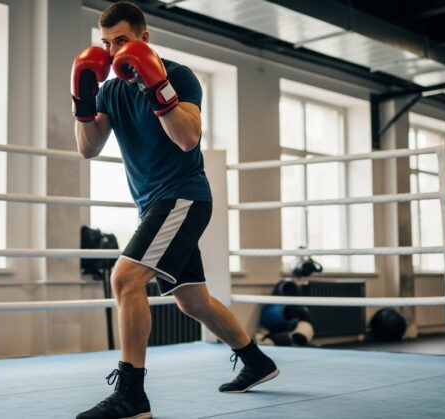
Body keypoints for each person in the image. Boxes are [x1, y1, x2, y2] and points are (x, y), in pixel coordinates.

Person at [72, 3, 278, 418]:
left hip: (184, 196)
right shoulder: (111, 90)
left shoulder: (179, 76)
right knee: (192, 299)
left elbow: (188, 138)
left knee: (126, 279)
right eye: (107, 44)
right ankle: (256, 360)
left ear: (143, 39)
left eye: (122, 42)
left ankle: (132, 395)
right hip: (153, 205)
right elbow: (88, 148)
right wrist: (82, 98)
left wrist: (156, 85)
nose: (113, 53)